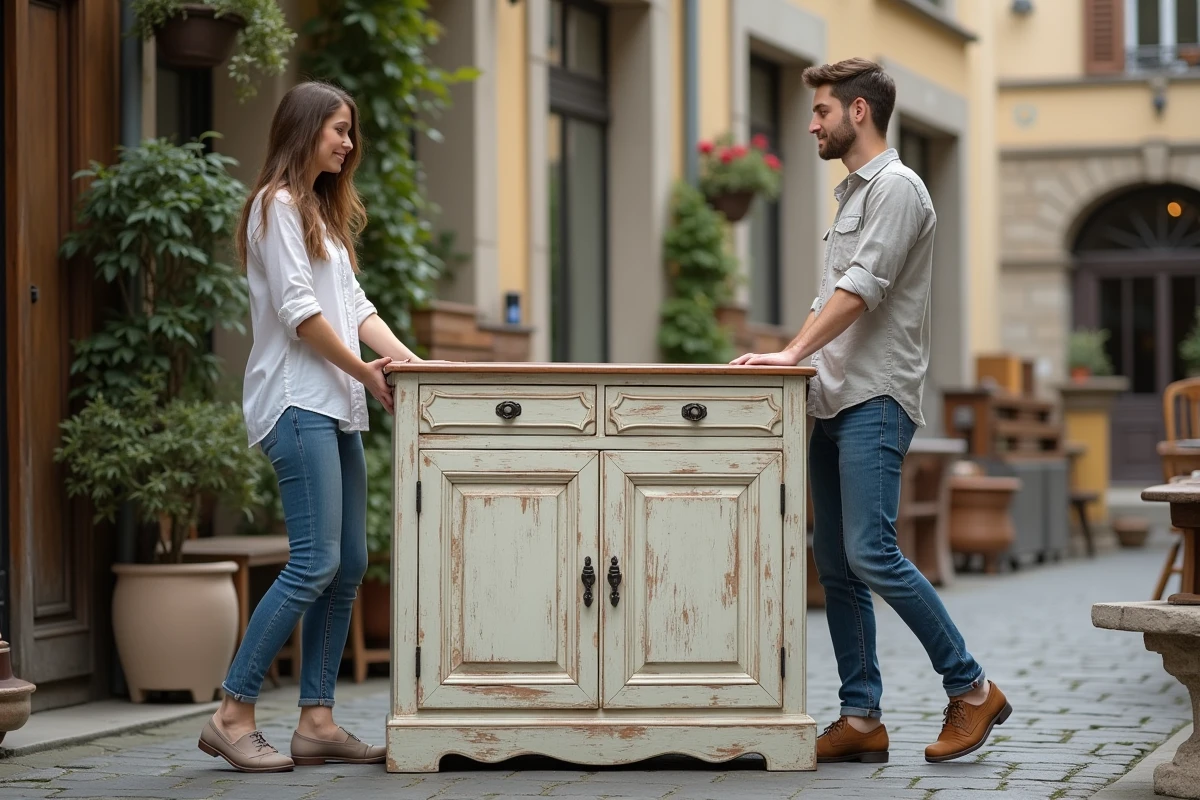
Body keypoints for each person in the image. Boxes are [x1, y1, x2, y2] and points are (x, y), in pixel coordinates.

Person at [730, 58, 1012, 765]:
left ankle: (972, 687)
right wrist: (795, 364)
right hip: (833, 396)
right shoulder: (851, 196)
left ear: (858, 111)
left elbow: (861, 290)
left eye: (821, 110)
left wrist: (791, 354)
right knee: (835, 557)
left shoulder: (898, 188)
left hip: (876, 396)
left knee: (871, 550)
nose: (811, 123)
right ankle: (861, 717)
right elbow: (832, 300)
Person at [197, 81, 426, 773]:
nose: (348, 143)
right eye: (338, 129)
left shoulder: (322, 217)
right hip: (297, 402)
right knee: (313, 561)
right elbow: (301, 314)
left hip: (336, 405)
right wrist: (369, 374)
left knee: (349, 562)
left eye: (350, 131)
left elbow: (355, 308)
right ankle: (232, 712)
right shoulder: (276, 207)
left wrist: (411, 363)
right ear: (304, 130)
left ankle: (318, 720)